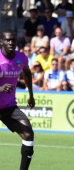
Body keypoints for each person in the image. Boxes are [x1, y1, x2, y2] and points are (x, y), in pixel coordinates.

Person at [0, 30, 35, 170]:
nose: (10, 42)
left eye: (13, 40)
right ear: (1, 41)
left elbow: (27, 72)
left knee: (28, 134)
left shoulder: (21, 58)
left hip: (8, 107)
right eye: (7, 40)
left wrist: (31, 94)